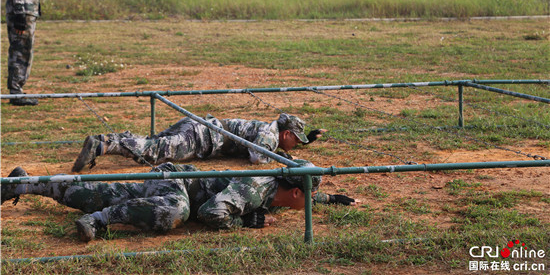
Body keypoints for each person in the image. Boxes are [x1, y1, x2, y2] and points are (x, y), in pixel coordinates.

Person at [1, 161, 356, 242]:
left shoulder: (278, 190)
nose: (310, 202)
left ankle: (24, 183)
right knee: (178, 213)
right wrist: (248, 222)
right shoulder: (255, 190)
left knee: (99, 191)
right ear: (295, 193)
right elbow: (211, 212)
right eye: (309, 197)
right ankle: (100, 220)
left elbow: (294, 199)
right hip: (178, 183)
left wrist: (332, 199)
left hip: (180, 182)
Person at [72, 113, 326, 172]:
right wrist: (286, 158)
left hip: (199, 126)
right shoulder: (269, 136)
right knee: (155, 151)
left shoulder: (268, 130)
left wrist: (302, 145)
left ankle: (108, 140)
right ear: (286, 134)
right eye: (296, 140)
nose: (295, 144)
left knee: (155, 142)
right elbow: (258, 158)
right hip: (202, 139)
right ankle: (103, 146)